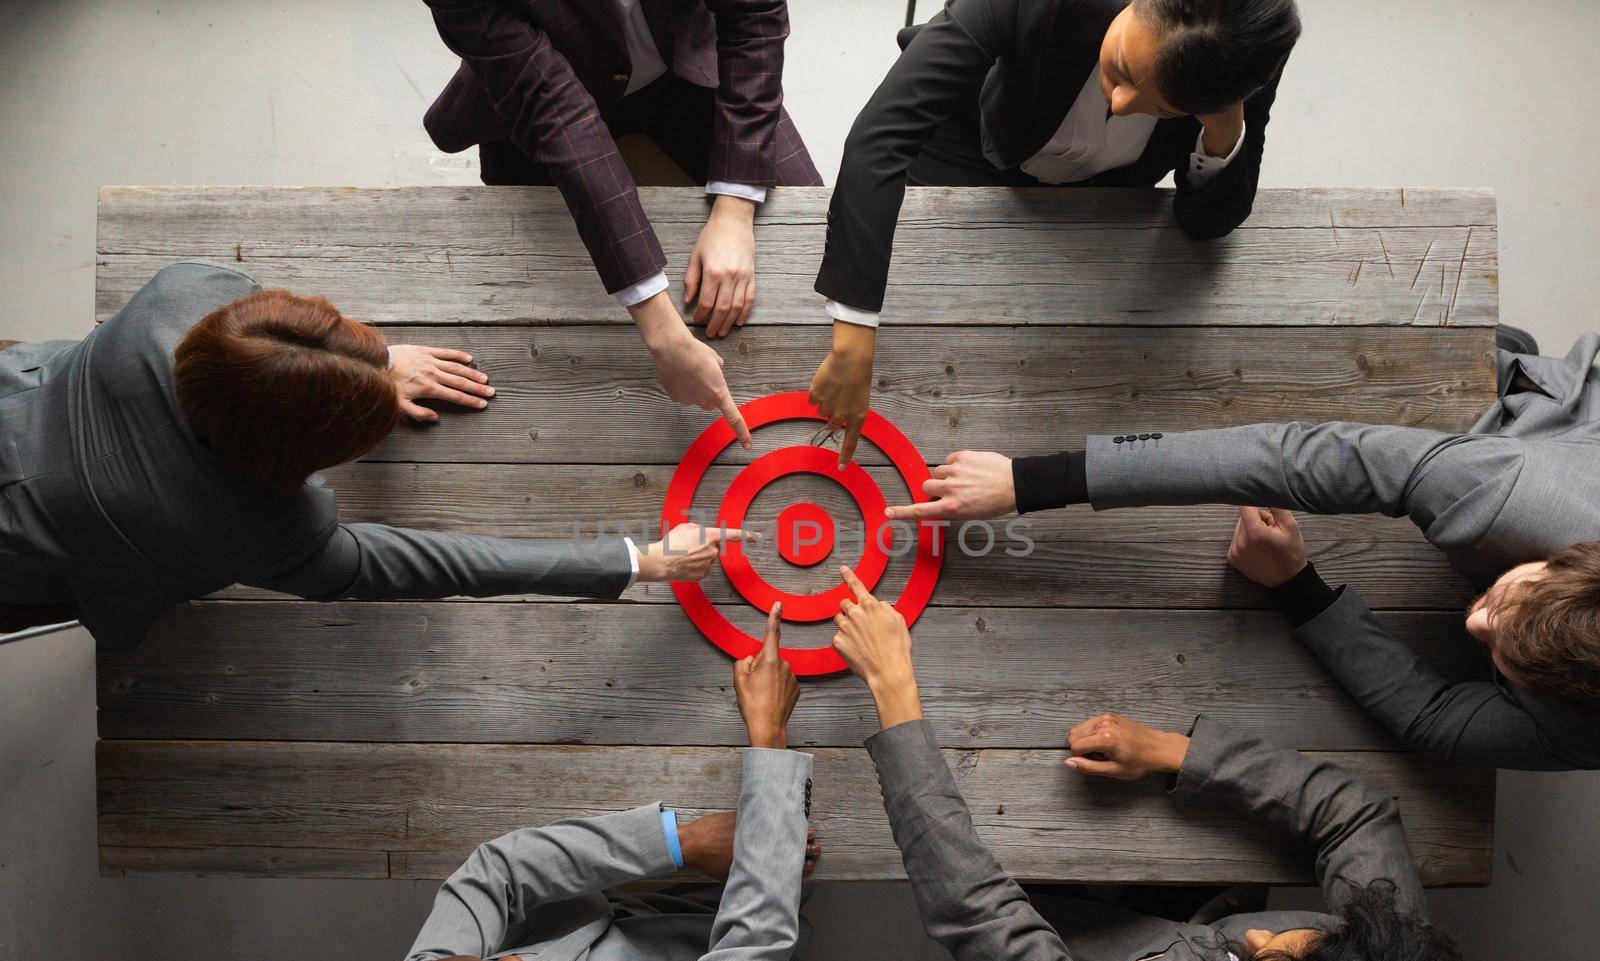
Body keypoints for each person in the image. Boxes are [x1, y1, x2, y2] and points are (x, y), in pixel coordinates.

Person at [828, 565, 1477, 961]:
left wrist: (892, 688)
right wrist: (1176, 753)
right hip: (1184, 913)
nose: (1253, 938)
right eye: (1301, 941)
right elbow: (1357, 815)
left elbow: (977, 914)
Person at [883, 328, 1600, 770]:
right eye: (1509, 603)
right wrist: (1030, 480)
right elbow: (1286, 456)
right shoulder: (1507, 494)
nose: (1475, 625)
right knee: (1495, 360)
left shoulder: (1588, 726)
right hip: (1558, 446)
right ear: (1569, 559)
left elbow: (1437, 720)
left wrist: (1298, 587)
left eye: (1504, 655)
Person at [0, 260, 740, 647]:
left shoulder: (182, 293)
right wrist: (642, 559)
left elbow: (267, 332)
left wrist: (371, 362)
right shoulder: (263, 535)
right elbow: (436, 566)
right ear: (301, 458)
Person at [809, 0, 1302, 464]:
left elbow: (1208, 221)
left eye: (1163, 109)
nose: (1124, 103)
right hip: (962, 151)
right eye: (1127, 68)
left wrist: (1222, 123)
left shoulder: (1240, 55)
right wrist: (852, 339)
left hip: (1087, 221)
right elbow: (882, 136)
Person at [352, 603, 816, 961]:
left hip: (608, 901)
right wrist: (770, 737)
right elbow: (752, 941)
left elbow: (496, 872)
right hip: (705, 948)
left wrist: (682, 843)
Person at [422, 0, 824, 450]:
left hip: (686, 64)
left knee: (811, 231)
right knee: (528, 285)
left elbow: (755, 19)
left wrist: (734, 210)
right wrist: (664, 334)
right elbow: (556, 110)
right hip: (539, 91)